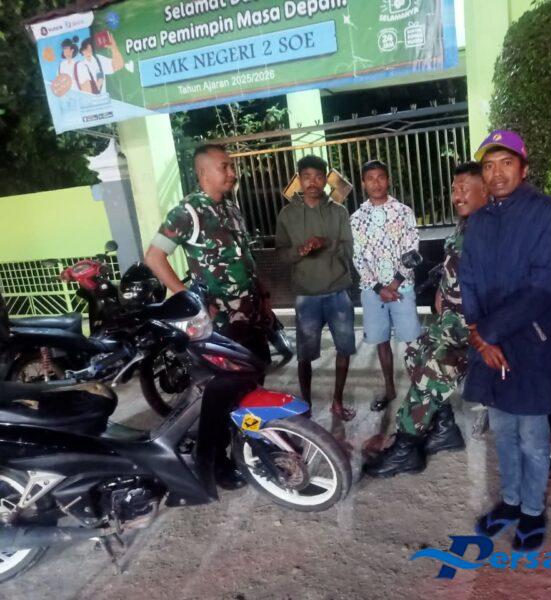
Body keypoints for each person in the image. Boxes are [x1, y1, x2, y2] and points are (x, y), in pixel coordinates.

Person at [460, 130, 551, 551]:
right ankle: (512, 502)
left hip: (536, 341)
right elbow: (468, 278)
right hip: (491, 344)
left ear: (524, 168)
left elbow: (544, 285)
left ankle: (533, 511)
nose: (496, 173)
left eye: (506, 163)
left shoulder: (549, 214)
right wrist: (478, 333)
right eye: (488, 166)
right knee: (502, 429)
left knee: (532, 436)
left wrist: (488, 333)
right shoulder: (479, 221)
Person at [145, 144, 270, 490]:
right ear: (203, 173)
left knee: (252, 381)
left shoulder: (231, 209)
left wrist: (264, 298)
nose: (232, 173)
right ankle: (212, 462)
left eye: (231, 166)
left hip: (251, 315)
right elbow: (154, 257)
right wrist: (188, 298)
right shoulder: (187, 212)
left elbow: (245, 258)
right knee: (223, 390)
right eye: (224, 167)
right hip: (221, 323)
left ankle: (250, 445)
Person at [363, 162, 490, 478]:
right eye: (454, 189)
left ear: (485, 190)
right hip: (451, 320)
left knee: (430, 372)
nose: (457, 195)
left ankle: (406, 446)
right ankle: (444, 428)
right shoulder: (467, 224)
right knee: (413, 353)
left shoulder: (490, 230)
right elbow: (456, 267)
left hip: (472, 329)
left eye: (465, 189)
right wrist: (441, 291)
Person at [275, 155, 356, 421]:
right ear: (299, 179)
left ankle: (337, 402)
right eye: (307, 177)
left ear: (325, 180)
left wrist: (327, 243)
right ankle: (306, 404)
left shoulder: (339, 212)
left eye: (318, 177)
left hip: (338, 291)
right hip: (306, 295)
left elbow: (349, 249)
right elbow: (281, 254)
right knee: (305, 355)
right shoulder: (287, 215)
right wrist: (299, 251)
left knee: (344, 349)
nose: (313, 182)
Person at [350, 160, 422, 412]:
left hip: (402, 287)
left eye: (381, 177)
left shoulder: (403, 212)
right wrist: (378, 288)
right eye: (370, 178)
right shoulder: (356, 219)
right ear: (363, 183)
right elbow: (358, 257)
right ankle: (390, 388)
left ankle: (419, 391)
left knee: (412, 341)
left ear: (388, 180)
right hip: (373, 292)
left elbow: (412, 250)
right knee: (381, 341)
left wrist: (395, 282)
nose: (376, 183)